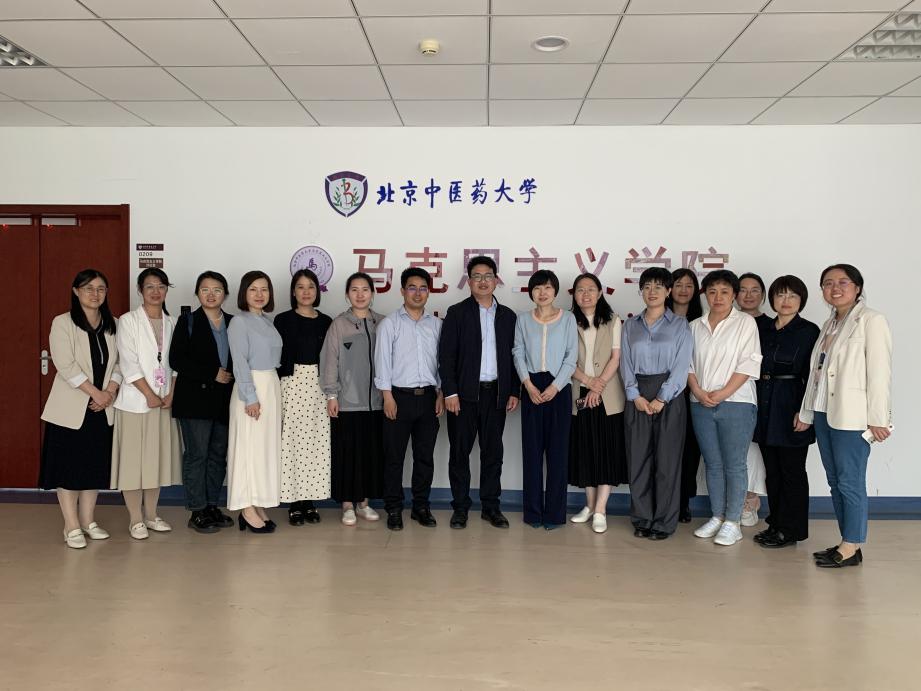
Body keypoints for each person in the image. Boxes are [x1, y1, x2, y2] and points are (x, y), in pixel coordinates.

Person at [800, 264, 892, 568]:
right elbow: (817, 373)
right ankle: (847, 541)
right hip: (825, 412)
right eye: (828, 283)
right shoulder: (830, 324)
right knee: (835, 481)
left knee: (850, 481)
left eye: (843, 282)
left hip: (852, 416)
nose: (835, 288)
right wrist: (807, 411)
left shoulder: (871, 321)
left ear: (857, 287)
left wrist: (879, 417)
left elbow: (879, 373)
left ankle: (851, 545)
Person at [40, 269, 121, 549]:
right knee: (68, 467)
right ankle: (71, 525)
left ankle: (88, 521)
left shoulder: (113, 324)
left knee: (93, 466)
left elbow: (121, 363)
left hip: (102, 408)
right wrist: (96, 393)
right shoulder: (63, 323)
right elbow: (65, 364)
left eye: (100, 289)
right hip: (71, 409)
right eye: (88, 288)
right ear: (76, 291)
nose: (94, 294)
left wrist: (109, 392)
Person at [439, 256, 519, 530]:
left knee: (493, 453)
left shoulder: (508, 316)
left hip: (496, 394)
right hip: (463, 396)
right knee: (459, 453)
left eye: (488, 276)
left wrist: (513, 391)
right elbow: (446, 356)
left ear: (496, 280)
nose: (483, 281)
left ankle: (491, 507)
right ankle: (460, 508)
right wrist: (450, 392)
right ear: (469, 281)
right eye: (477, 276)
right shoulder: (457, 313)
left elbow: (515, 358)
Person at [688, 270, 762, 547]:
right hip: (700, 402)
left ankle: (733, 521)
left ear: (734, 295)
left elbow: (749, 363)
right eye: (712, 291)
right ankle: (717, 516)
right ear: (705, 295)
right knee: (713, 463)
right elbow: (687, 364)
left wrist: (722, 393)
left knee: (735, 464)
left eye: (724, 292)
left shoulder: (745, 323)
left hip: (737, 402)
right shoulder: (694, 326)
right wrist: (698, 392)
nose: (717, 297)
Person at [620, 268, 693, 540]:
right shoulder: (630, 325)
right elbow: (625, 364)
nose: (652, 292)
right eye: (647, 286)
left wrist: (662, 397)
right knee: (638, 459)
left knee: (667, 462)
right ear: (641, 291)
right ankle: (642, 518)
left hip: (670, 397)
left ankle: (663, 521)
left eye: (658, 286)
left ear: (668, 291)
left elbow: (682, 366)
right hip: (637, 395)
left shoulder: (680, 325)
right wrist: (635, 396)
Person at [111, 268, 181, 540]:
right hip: (135, 403)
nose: (156, 291)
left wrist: (170, 393)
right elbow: (128, 362)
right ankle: (135, 519)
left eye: (161, 286)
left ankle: (151, 515)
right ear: (140, 290)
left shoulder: (172, 322)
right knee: (133, 464)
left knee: (155, 462)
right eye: (149, 286)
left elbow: (176, 363)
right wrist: (149, 394)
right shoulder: (128, 321)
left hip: (163, 402)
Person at [753, 275, 819, 549]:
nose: (786, 301)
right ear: (771, 299)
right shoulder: (762, 328)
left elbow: (814, 376)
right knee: (773, 471)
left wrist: (805, 412)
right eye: (780, 295)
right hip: (764, 402)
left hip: (791, 403)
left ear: (802, 300)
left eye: (792, 295)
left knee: (792, 471)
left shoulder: (809, 331)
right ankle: (776, 523)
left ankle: (791, 530)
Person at [375, 267, 444, 531]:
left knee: (424, 457)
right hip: (398, 398)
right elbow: (382, 361)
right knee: (394, 458)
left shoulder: (436, 325)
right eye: (412, 288)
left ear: (429, 292)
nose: (417, 293)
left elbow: (442, 363)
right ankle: (394, 508)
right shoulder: (390, 324)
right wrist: (387, 396)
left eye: (423, 288)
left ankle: (420, 507)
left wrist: (440, 393)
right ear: (402, 291)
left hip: (428, 398)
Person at [169, 271, 235, 534]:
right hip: (195, 401)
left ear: (225, 294)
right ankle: (197, 510)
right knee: (197, 455)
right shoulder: (188, 321)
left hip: (224, 401)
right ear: (197, 293)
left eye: (217, 290)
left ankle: (211, 506)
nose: (211, 294)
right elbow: (176, 359)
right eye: (205, 289)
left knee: (218, 455)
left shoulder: (233, 322)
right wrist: (211, 373)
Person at [513, 269, 578, 530]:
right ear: (531, 292)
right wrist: (527, 384)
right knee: (532, 453)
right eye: (538, 288)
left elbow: (571, 357)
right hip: (531, 387)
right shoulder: (522, 319)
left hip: (559, 388)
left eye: (548, 287)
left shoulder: (568, 319)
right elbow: (517, 352)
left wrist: (555, 386)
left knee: (558, 454)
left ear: (555, 291)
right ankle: (532, 513)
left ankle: (554, 514)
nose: (542, 292)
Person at [320, 272, 385, 526]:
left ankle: (364, 503)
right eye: (354, 290)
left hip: (376, 402)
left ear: (372, 293)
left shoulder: (382, 323)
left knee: (370, 454)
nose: (360, 294)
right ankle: (347, 504)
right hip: (347, 402)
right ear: (347, 294)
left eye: (365, 289)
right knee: (348, 454)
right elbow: (330, 361)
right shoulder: (339, 324)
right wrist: (331, 394)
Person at [568, 272, 628, 534]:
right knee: (585, 450)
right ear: (574, 295)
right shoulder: (568, 321)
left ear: (600, 292)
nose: (586, 294)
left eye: (591, 289)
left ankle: (601, 509)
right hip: (580, 391)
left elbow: (616, 357)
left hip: (608, 394)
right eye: (580, 290)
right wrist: (588, 382)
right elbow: (566, 359)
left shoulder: (613, 320)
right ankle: (590, 506)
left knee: (607, 451)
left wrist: (598, 384)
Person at [274, 269, 333, 526]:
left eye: (311, 286)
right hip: (291, 384)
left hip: (318, 387)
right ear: (293, 291)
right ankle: (294, 503)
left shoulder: (326, 321)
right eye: (300, 286)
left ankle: (310, 501)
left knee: (316, 443)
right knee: (292, 443)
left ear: (317, 291)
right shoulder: (282, 320)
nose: (306, 291)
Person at [227, 271, 283, 534]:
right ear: (244, 293)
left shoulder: (267, 321)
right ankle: (245, 506)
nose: (260, 295)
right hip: (252, 388)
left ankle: (257, 501)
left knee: (262, 449)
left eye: (264, 289)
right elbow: (239, 362)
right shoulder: (239, 322)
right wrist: (250, 397)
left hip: (270, 385)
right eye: (253, 289)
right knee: (248, 448)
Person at [665, 268, 703, 523]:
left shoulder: (703, 321)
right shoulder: (659, 318)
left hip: (693, 392)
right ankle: (665, 499)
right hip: (663, 392)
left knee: (689, 449)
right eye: (678, 284)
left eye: (689, 285)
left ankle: (683, 502)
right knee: (665, 449)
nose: (683, 290)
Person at [736, 272, 770, 527]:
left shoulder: (772, 325)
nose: (748, 295)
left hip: (764, 394)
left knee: (755, 449)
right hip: (733, 393)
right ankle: (734, 500)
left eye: (754, 290)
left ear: (763, 295)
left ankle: (750, 499)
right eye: (743, 290)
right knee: (736, 450)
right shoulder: (728, 322)